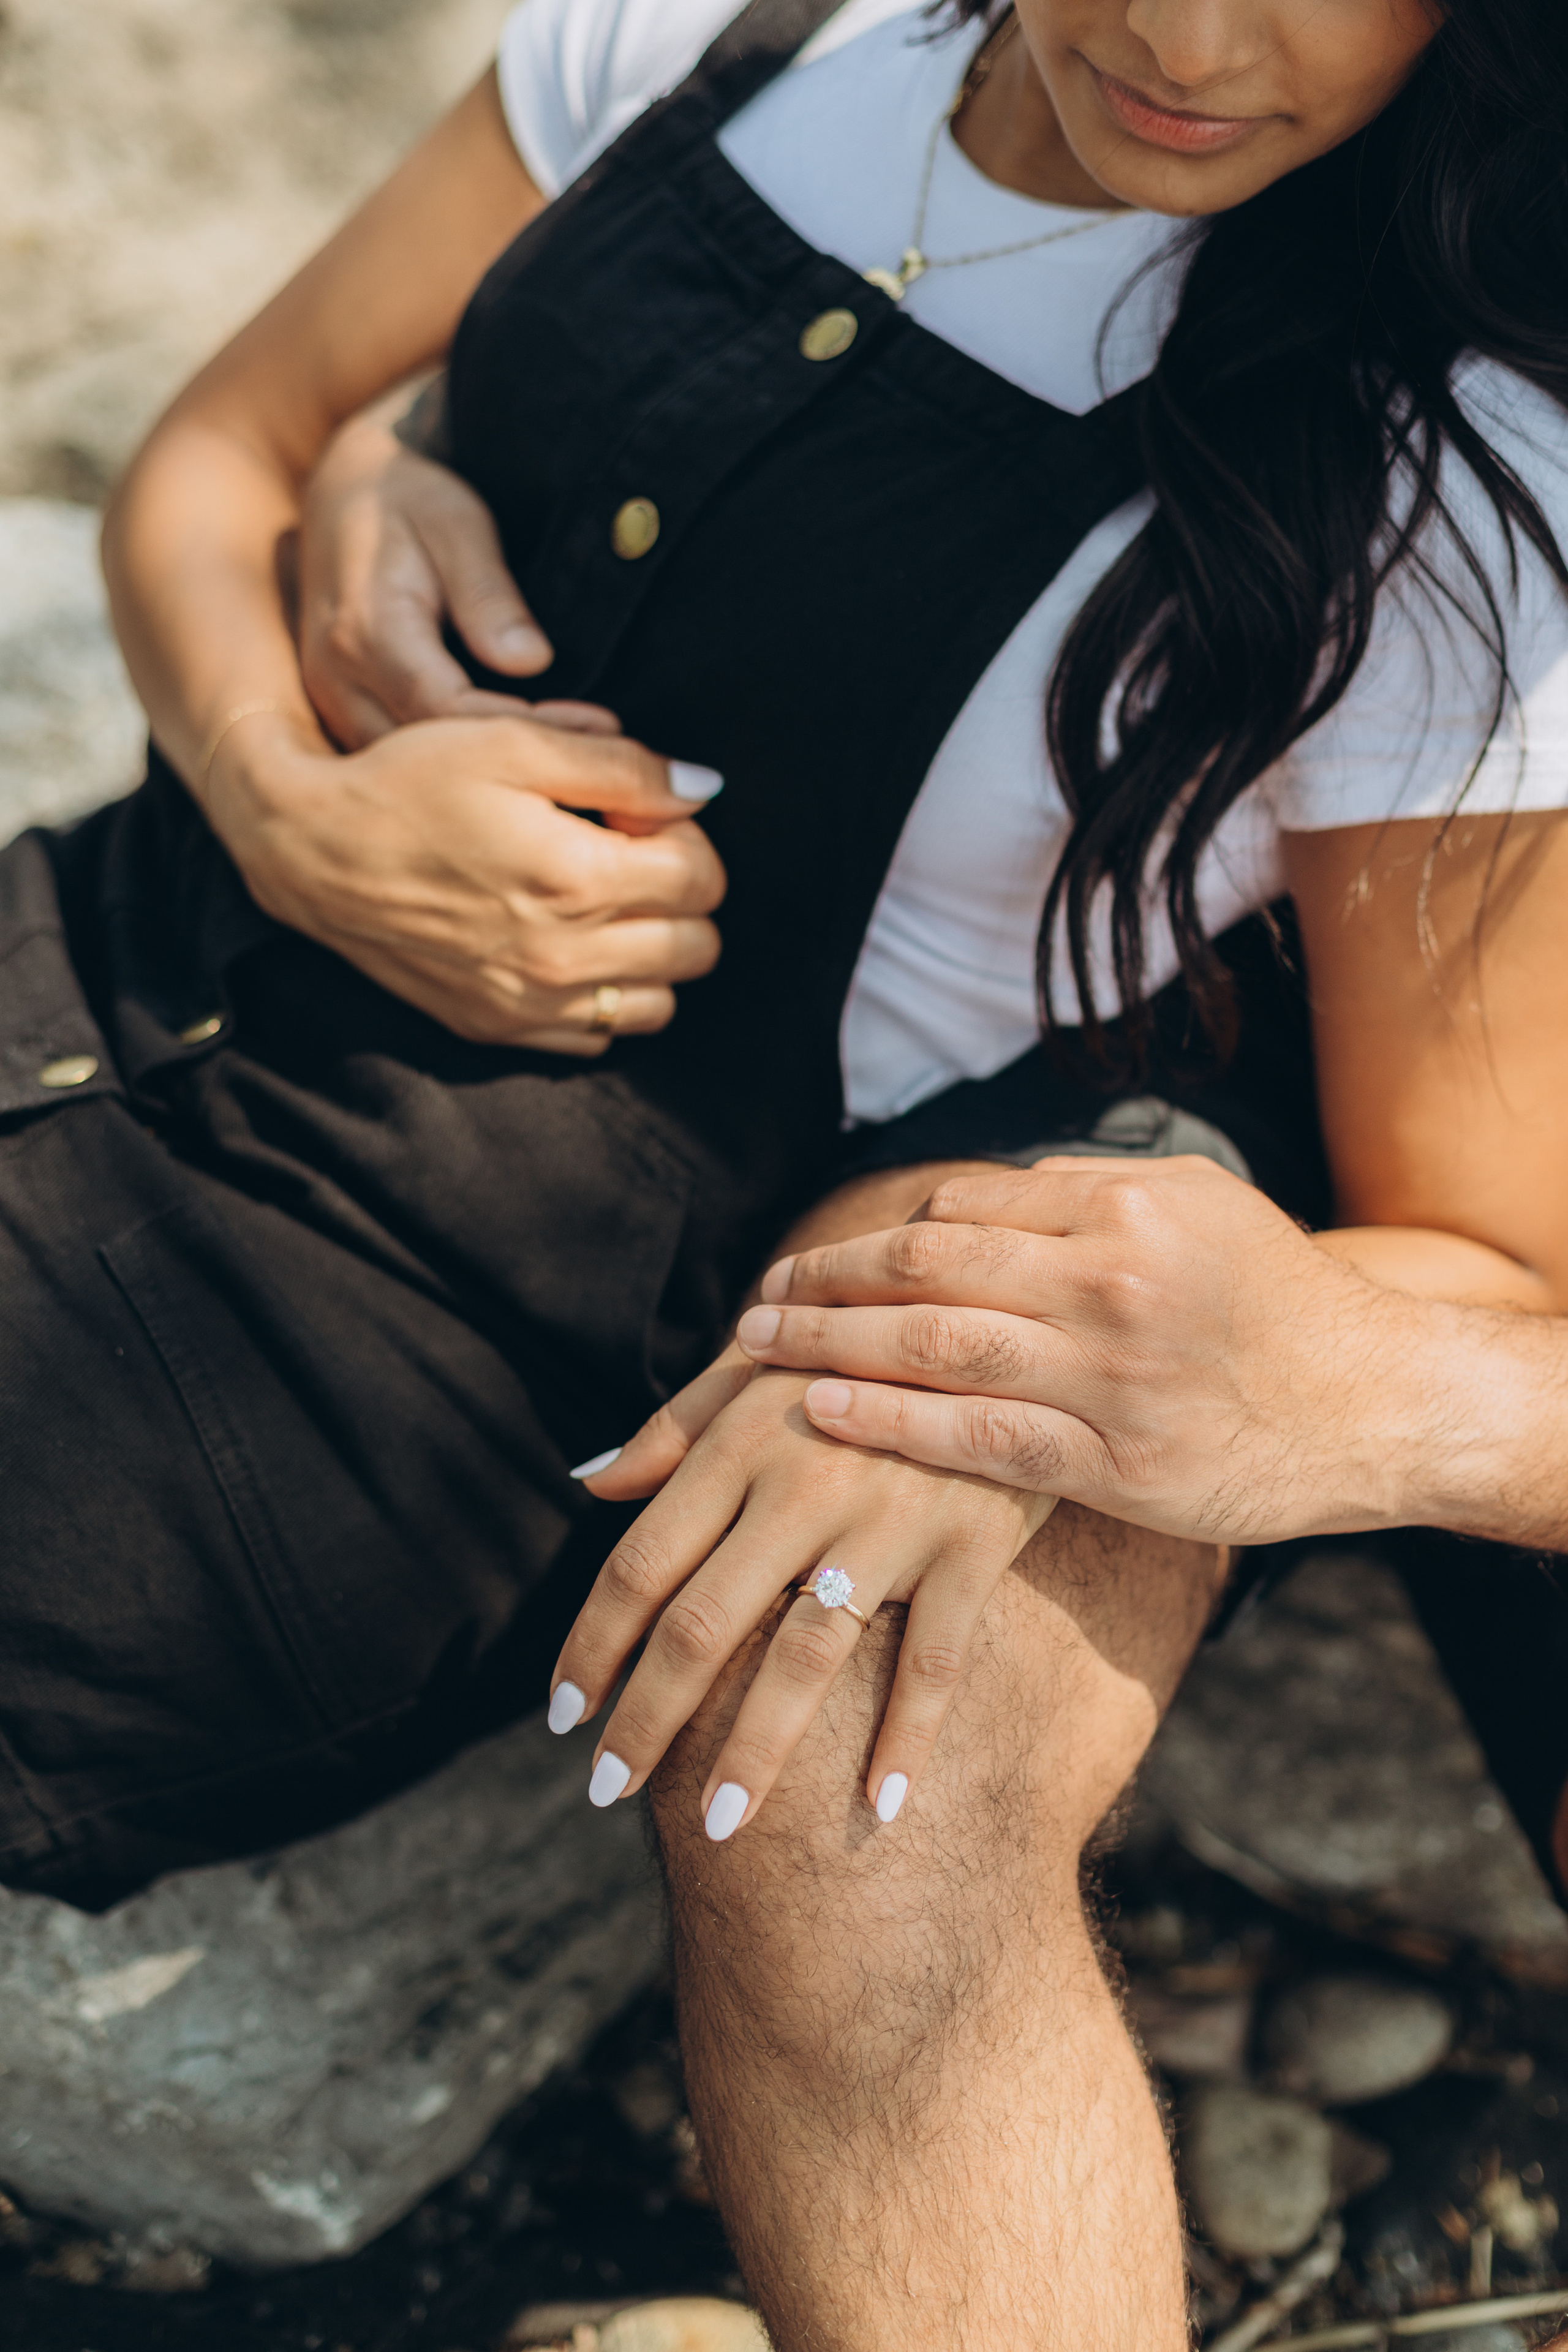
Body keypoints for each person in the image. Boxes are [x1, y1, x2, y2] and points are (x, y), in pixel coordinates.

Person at [0, 0, 1556, 2342]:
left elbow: (1476, 1240)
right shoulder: (705, 43)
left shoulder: (1443, 476)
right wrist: (299, 810)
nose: (1195, 34)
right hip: (99, 954)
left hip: (366, 1340)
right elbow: (222, 449)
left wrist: (1077, 1330)